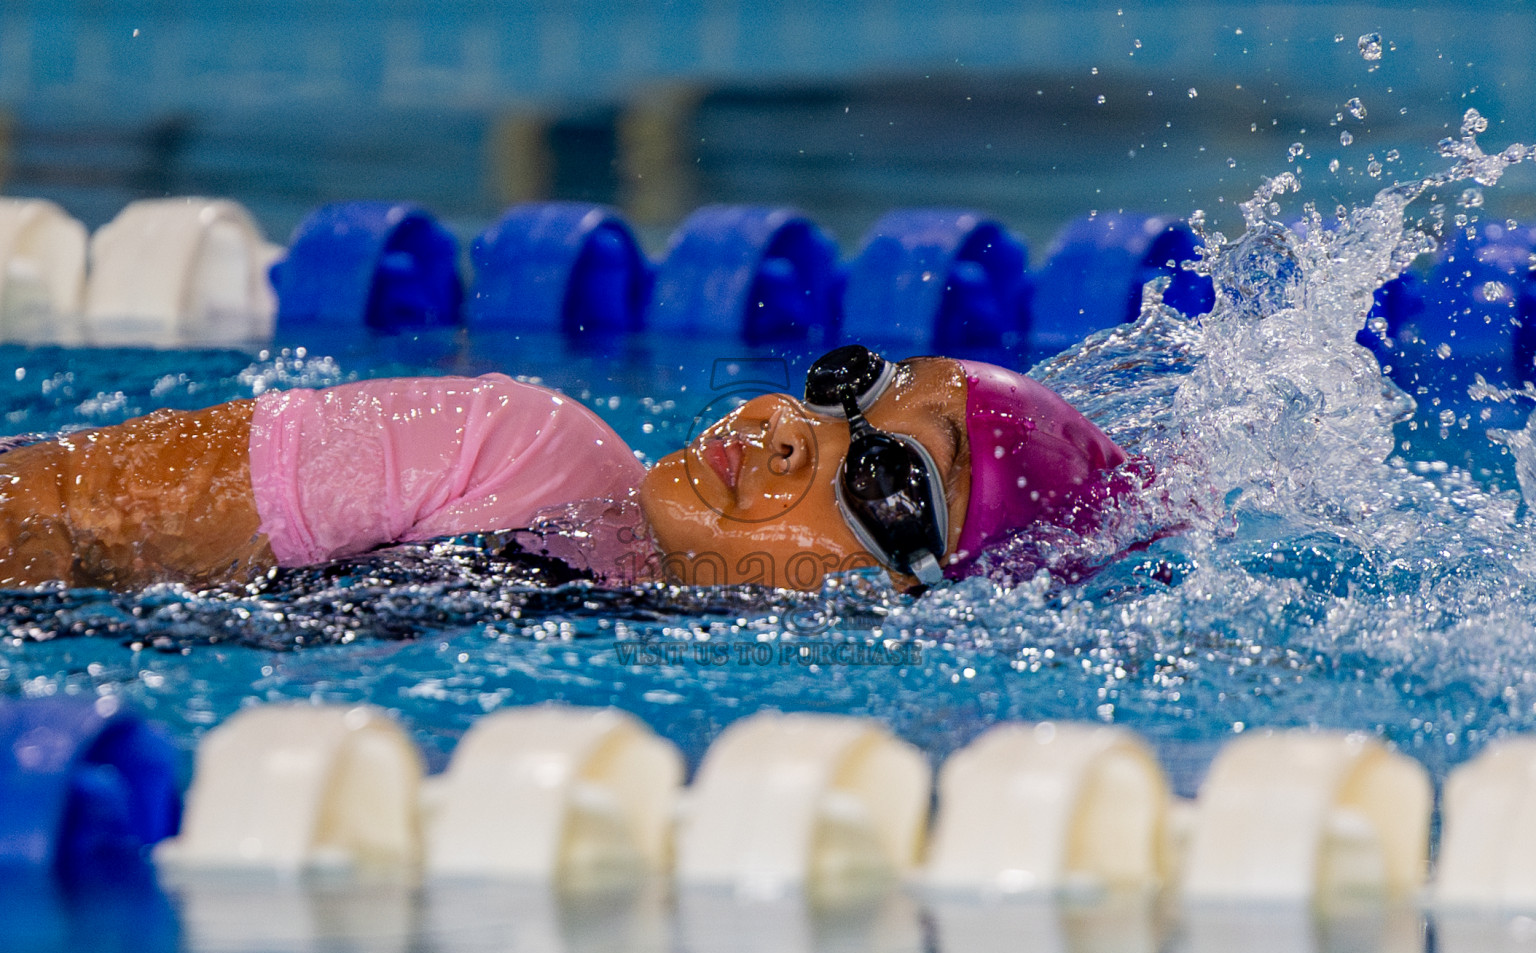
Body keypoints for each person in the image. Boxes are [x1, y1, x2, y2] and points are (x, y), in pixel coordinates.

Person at [0, 346, 1127, 592]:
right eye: (850, 384)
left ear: (919, 597)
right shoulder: (520, 450)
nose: (797, 428)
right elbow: (45, 510)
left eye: (888, 480)